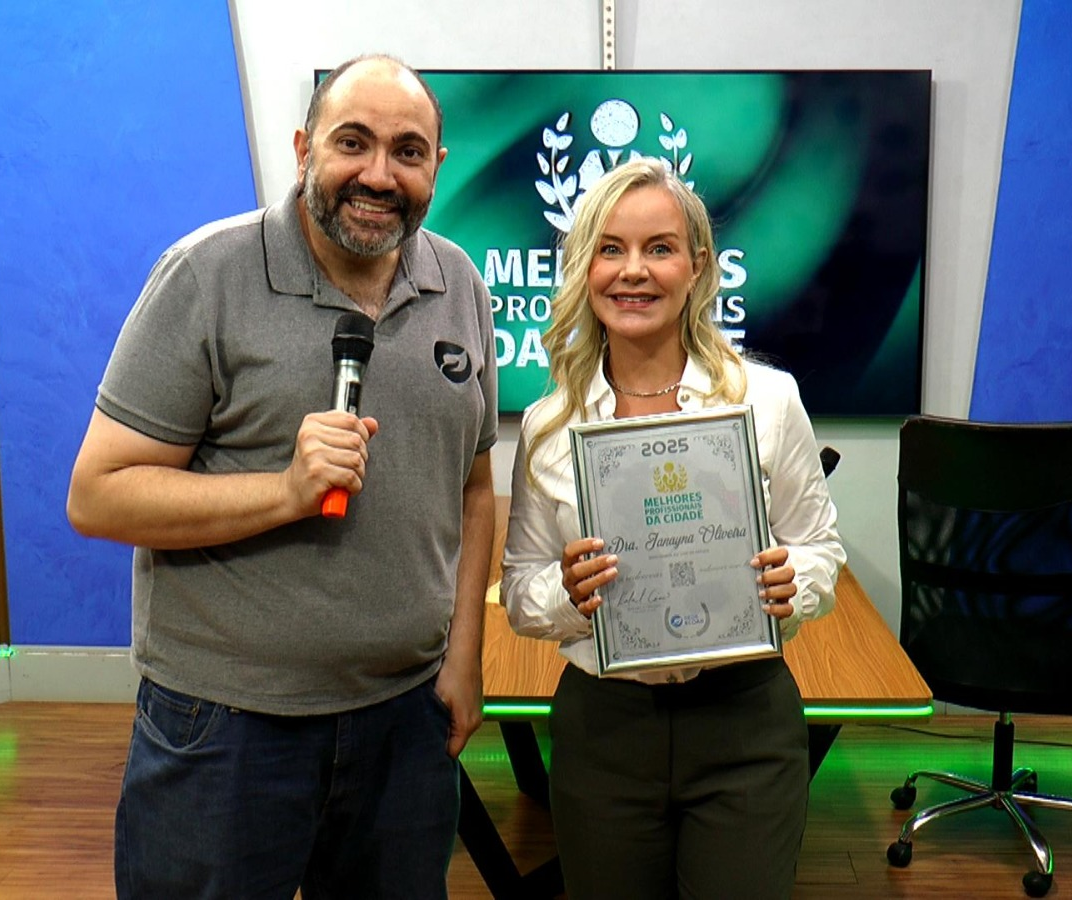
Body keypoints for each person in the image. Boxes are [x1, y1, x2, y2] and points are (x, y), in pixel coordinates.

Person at [66, 54, 496, 899]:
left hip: (405, 723)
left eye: (408, 152)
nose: (379, 175)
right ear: (304, 148)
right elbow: (99, 493)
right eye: (353, 143)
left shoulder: (459, 284)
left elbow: (475, 489)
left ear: (437, 167)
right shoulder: (205, 276)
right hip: (224, 731)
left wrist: (465, 656)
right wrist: (285, 491)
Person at [500, 158, 845, 899]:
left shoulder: (768, 401)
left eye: (659, 248)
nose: (634, 271)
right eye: (610, 249)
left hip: (745, 722)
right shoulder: (549, 427)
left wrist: (795, 582)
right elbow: (521, 590)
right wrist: (569, 595)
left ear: (697, 266)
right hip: (604, 730)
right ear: (584, 268)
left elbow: (821, 549)